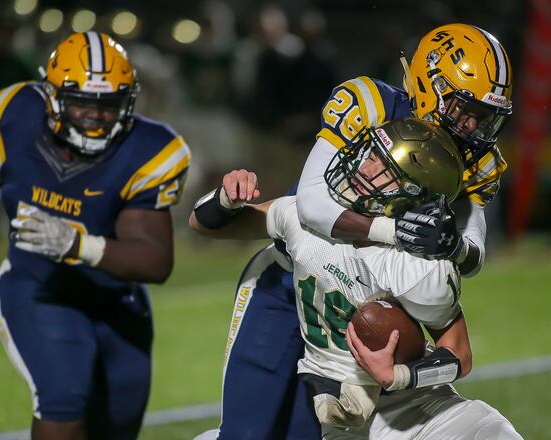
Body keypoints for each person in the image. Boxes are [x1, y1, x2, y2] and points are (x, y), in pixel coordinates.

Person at [210, 23, 513, 439]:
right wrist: (398, 231)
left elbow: (474, 252)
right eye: (465, 107)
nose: (472, 125)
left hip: (365, 296)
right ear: (432, 83)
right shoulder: (371, 103)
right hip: (289, 279)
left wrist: (455, 247)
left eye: (484, 116)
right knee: (247, 432)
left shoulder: (474, 157)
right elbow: (313, 207)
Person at [0, 32, 191, 439]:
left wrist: (77, 245)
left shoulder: (148, 150)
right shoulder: (16, 112)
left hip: (118, 300)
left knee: (116, 423)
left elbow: (154, 260)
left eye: (108, 105)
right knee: (62, 396)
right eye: (81, 103)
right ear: (52, 96)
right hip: (39, 286)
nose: (95, 116)